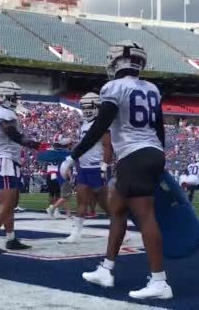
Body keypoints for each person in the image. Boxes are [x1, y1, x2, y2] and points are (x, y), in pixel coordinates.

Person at [61, 42, 172, 300]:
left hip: (134, 155)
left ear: (116, 62)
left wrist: (72, 155)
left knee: (145, 216)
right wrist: (160, 156)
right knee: (118, 210)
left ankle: (159, 281)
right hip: (149, 152)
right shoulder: (152, 89)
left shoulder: (114, 87)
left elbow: (100, 126)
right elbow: (159, 128)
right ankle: (106, 269)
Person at [0, 81, 40, 254]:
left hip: (1, 160)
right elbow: (12, 133)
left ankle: (11, 238)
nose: (16, 100)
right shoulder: (5, 113)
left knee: (10, 202)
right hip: (4, 160)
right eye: (13, 96)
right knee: (7, 203)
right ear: (4, 96)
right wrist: (32, 143)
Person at [60, 92, 113, 244]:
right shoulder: (83, 124)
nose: (86, 110)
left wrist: (104, 168)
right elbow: (83, 148)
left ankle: (119, 228)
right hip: (84, 168)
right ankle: (76, 233)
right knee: (81, 201)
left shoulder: (102, 125)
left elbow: (108, 147)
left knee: (104, 204)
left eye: (89, 106)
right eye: (84, 107)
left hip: (97, 168)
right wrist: (75, 163)